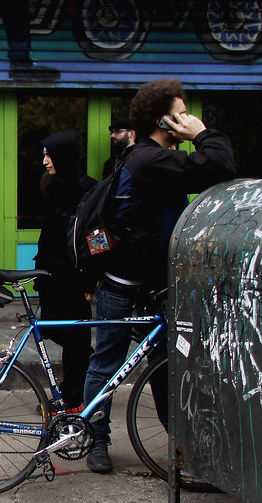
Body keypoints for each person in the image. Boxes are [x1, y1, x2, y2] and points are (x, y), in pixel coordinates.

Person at [82, 78, 236, 473]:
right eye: (181, 113)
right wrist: (203, 134)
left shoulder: (153, 159)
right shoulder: (148, 159)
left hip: (155, 286)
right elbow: (219, 165)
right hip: (121, 286)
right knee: (107, 363)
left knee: (167, 366)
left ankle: (179, 442)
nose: (188, 119)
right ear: (162, 119)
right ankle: (95, 438)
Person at [34, 130, 96, 412]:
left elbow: (93, 238)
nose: (45, 161)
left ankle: (75, 395)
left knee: (76, 340)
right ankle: (78, 386)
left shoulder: (87, 189)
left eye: (49, 154)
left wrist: (89, 281)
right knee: (57, 331)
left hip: (73, 278)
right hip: (52, 276)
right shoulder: (54, 184)